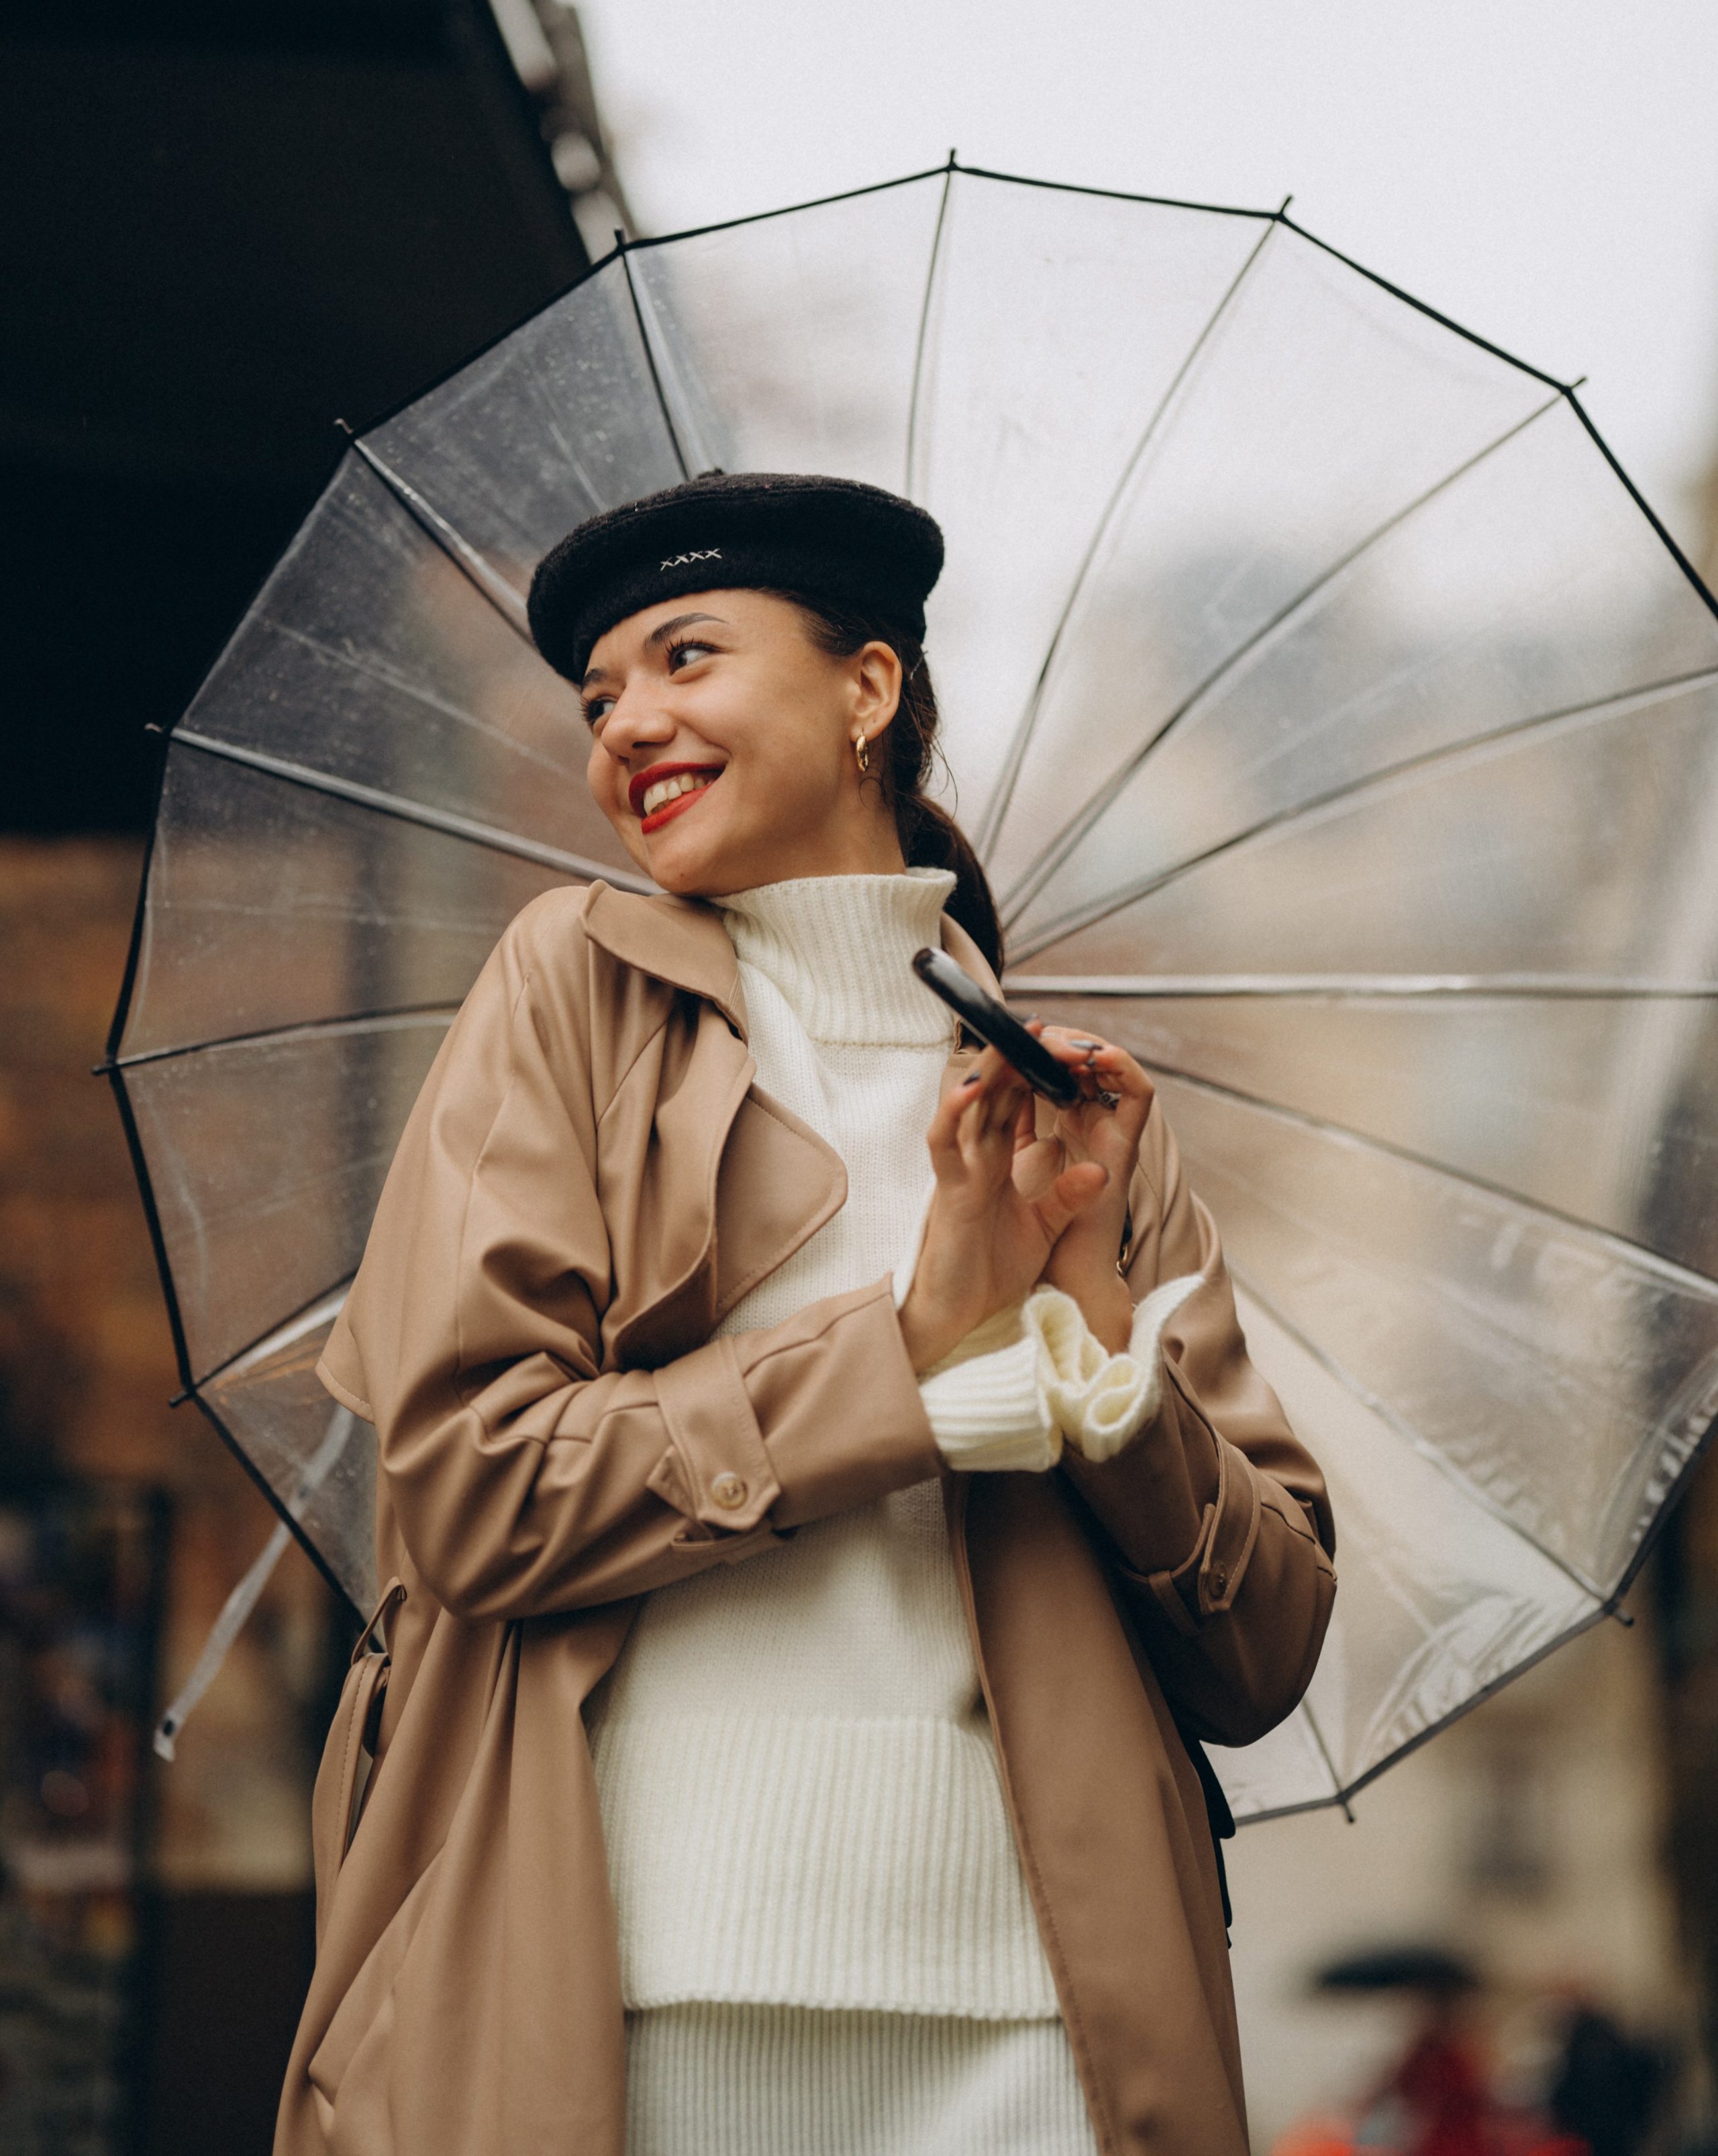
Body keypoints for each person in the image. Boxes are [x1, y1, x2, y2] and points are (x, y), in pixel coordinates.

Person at [274, 469, 1337, 2156]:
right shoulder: (570, 992)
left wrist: (1087, 1331)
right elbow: (473, 1491)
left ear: (867, 689)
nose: (628, 724)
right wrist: (904, 1365)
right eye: (600, 698)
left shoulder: (1068, 1119)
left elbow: (1260, 1649)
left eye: (686, 657)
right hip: (636, 1997)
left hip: (1039, 2022)